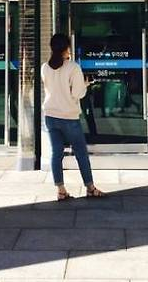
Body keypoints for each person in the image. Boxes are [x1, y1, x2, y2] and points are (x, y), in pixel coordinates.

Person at [41, 33, 106, 201]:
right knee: (81, 153)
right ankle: (90, 188)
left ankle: (61, 190)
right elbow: (77, 93)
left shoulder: (45, 68)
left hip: (50, 115)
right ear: (66, 48)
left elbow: (53, 88)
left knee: (56, 153)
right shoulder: (73, 68)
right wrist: (85, 84)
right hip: (68, 117)